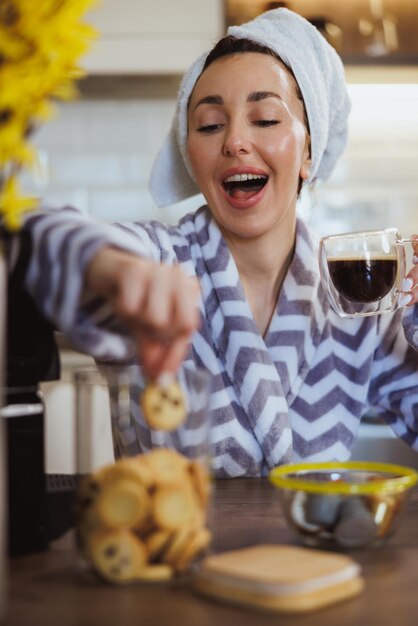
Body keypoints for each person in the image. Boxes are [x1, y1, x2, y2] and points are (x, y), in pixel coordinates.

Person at [21, 8, 418, 477]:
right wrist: (109, 268)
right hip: (171, 544)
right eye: (210, 125)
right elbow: (33, 234)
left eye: (266, 118)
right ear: (191, 156)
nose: (234, 141)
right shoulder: (158, 260)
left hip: (312, 549)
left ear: (309, 149)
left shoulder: (355, 295)